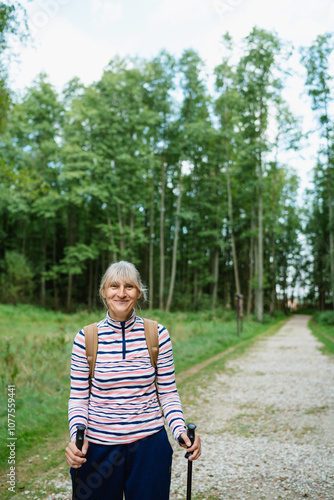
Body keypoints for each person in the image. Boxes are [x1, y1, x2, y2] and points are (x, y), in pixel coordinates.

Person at [65, 260, 201, 500]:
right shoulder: (85, 338)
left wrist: (179, 430)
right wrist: (77, 435)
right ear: (103, 292)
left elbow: (168, 393)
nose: (121, 293)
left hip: (149, 448)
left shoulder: (157, 334)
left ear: (138, 292)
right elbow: (78, 398)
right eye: (113, 286)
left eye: (129, 286)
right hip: (98, 449)